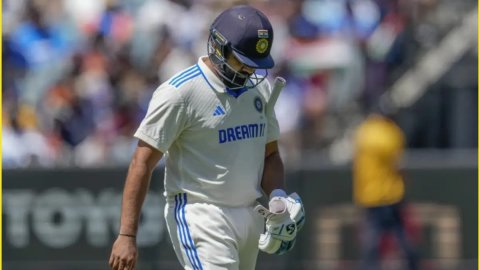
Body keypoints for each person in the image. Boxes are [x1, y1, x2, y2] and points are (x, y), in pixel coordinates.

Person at [109, 5, 304, 270]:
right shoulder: (180, 92)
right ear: (218, 46)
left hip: (248, 213)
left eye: (253, 65)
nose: (247, 72)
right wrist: (127, 234)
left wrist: (277, 197)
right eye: (241, 62)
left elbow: (270, 154)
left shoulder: (260, 89)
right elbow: (141, 162)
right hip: (201, 213)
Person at [353, 103, 419, 270]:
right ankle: (413, 265)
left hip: (368, 194)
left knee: (373, 240)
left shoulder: (363, 131)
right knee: (401, 236)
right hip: (390, 194)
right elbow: (399, 165)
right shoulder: (391, 133)